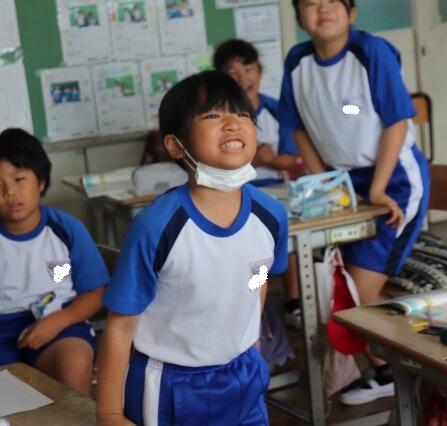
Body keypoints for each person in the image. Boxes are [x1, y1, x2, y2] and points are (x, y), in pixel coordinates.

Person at [96, 71, 288, 425]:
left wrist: (251, 345)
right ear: (175, 145)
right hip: (172, 385)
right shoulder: (157, 226)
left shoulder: (271, 214)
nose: (232, 123)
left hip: (243, 371)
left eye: (242, 114)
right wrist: (109, 413)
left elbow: (258, 279)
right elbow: (121, 326)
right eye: (213, 115)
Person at [279, 0, 430, 405]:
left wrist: (377, 190)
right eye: (311, 3)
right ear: (299, 17)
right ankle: (399, 364)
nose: (322, 9)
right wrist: (326, 184)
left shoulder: (372, 52)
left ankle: (396, 370)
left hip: (394, 180)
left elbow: (396, 121)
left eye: (333, 1)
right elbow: (297, 128)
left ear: (352, 12)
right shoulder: (297, 61)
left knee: (355, 295)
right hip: (345, 183)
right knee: (343, 289)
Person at [0, 128, 109, 397]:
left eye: (19, 179)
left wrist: (58, 322)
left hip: (59, 321)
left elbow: (96, 293)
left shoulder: (65, 230)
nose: (9, 192)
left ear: (40, 182)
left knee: (74, 362)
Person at [214, 38, 303, 328]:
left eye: (248, 69)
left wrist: (270, 160)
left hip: (275, 190)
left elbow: (290, 158)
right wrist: (254, 158)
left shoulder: (278, 110)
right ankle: (250, 307)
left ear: (260, 71)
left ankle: (292, 301)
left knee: (286, 231)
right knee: (250, 247)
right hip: (234, 191)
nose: (243, 79)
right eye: (232, 73)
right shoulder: (218, 117)